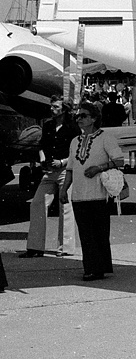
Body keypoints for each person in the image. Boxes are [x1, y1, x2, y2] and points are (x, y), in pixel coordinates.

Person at [60, 101, 124, 281]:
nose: (79, 119)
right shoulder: (75, 141)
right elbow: (71, 169)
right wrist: (64, 189)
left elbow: (119, 161)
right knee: (86, 234)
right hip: (79, 195)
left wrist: (99, 168)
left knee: (99, 233)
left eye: (83, 116)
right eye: (77, 116)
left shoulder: (106, 138)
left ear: (94, 118)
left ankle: (98, 269)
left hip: (98, 194)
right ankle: (92, 268)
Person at [24, 98, 79, 257]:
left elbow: (76, 152)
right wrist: (42, 159)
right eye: (52, 106)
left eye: (55, 107)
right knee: (37, 203)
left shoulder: (72, 128)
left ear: (64, 110)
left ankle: (66, 248)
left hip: (65, 171)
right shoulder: (48, 125)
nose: (52, 109)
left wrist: (62, 162)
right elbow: (42, 146)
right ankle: (35, 247)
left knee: (65, 208)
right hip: (48, 171)